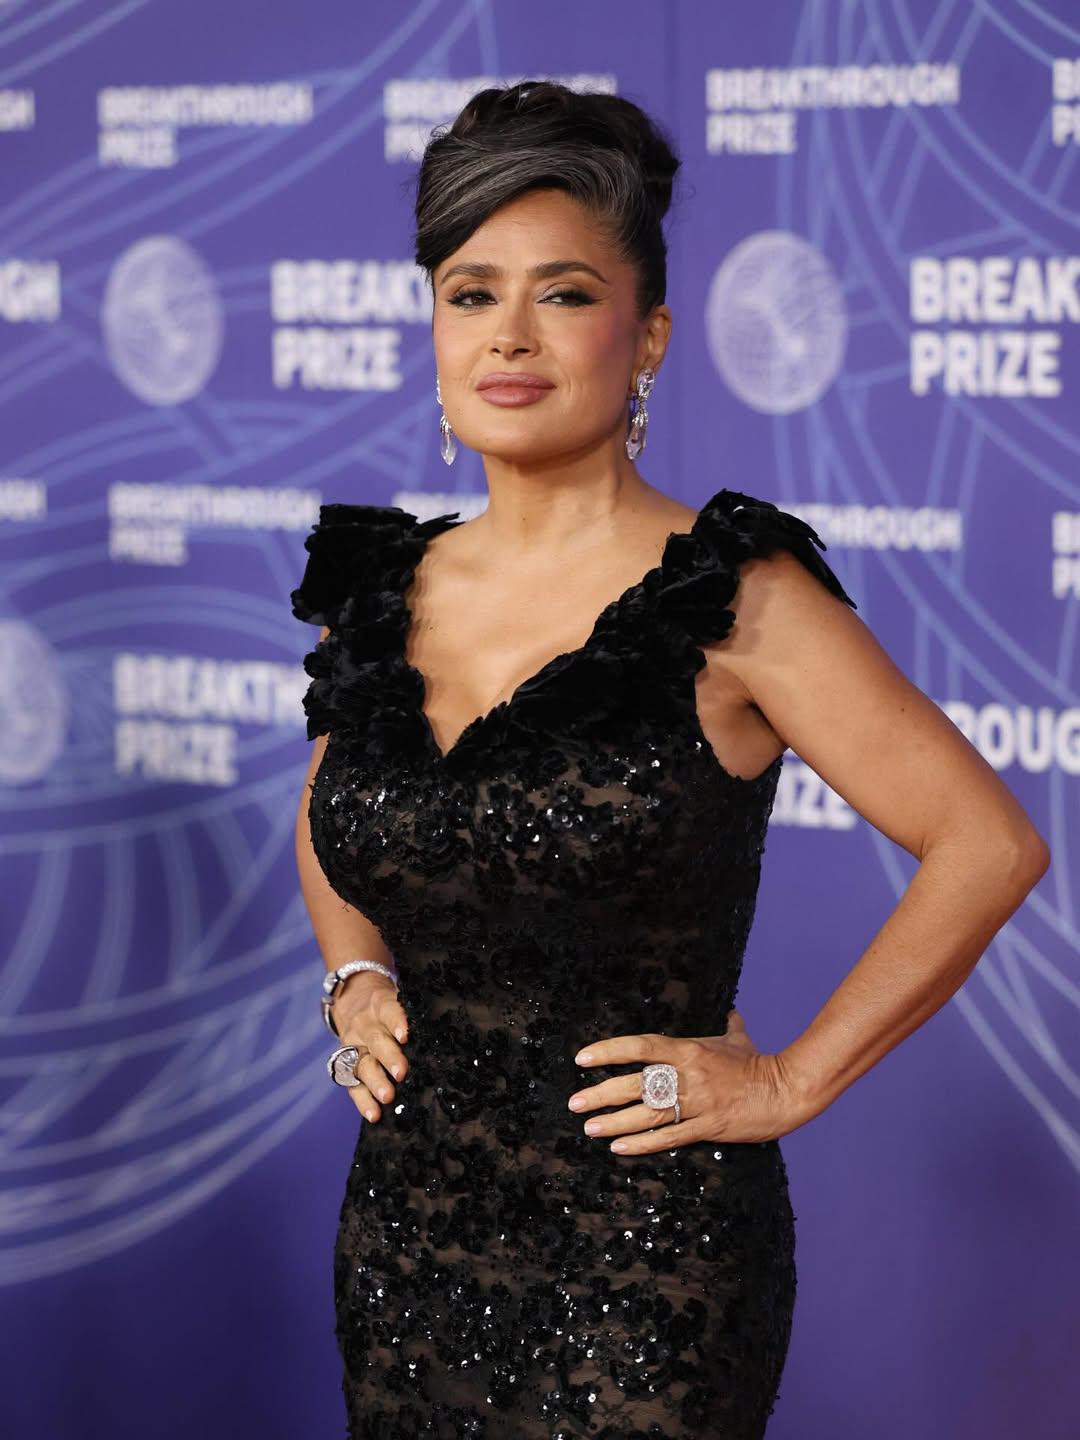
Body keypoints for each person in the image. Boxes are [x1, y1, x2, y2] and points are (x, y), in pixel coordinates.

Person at [292, 80, 1049, 1440]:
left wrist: (789, 1080)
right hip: (410, 1243)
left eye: (565, 294)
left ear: (647, 336)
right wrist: (355, 978)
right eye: (471, 294)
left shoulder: (731, 596)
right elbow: (340, 810)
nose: (510, 334)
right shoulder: (381, 591)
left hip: (650, 1263)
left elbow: (988, 843)